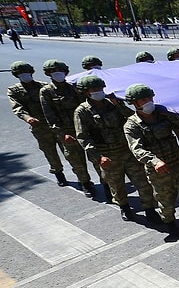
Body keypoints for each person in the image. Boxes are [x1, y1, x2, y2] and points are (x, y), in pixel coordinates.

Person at [123, 84, 179, 242]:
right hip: (158, 171)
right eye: (143, 99)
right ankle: (170, 224)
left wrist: (170, 115)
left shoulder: (163, 115)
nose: (148, 101)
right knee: (165, 200)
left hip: (178, 164)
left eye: (149, 98)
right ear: (134, 103)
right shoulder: (131, 125)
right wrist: (154, 161)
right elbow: (137, 149)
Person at [73, 75, 158, 222]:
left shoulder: (112, 104)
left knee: (143, 183)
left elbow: (133, 117)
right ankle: (124, 208)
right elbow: (83, 137)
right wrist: (98, 157)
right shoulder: (82, 112)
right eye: (94, 89)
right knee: (116, 185)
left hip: (126, 151)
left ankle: (150, 210)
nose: (98, 91)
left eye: (100, 88)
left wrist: (119, 105)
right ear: (86, 92)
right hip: (107, 155)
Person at [7, 61, 90, 193]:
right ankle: (58, 172)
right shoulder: (14, 90)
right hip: (40, 126)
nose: (24, 75)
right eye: (20, 73)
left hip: (61, 125)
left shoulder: (44, 86)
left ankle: (83, 179)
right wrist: (28, 118)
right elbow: (18, 108)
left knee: (72, 154)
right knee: (50, 151)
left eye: (26, 72)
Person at [38, 60, 97, 196]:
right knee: (76, 161)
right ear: (48, 73)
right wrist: (61, 134)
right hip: (67, 132)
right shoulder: (46, 91)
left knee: (95, 157)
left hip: (84, 129)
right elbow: (50, 116)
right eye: (53, 71)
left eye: (60, 70)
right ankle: (85, 183)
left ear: (66, 72)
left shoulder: (74, 88)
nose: (57, 73)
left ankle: (106, 185)